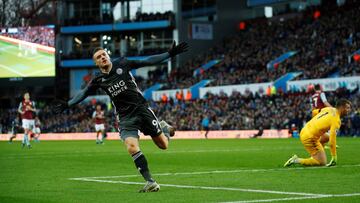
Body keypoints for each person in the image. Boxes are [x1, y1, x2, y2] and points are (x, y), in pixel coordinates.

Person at [54, 41, 188, 192]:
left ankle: (163, 128)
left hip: (142, 109)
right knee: (131, 147)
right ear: (96, 63)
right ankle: (150, 181)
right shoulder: (98, 80)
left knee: (163, 145)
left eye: (104, 54)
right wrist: (68, 104)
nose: (103, 57)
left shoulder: (122, 63)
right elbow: (84, 93)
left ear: (108, 56)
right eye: (99, 57)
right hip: (125, 117)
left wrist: (169, 54)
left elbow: (146, 61)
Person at [284, 99, 351, 167]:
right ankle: (296, 160)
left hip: (304, 129)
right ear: (342, 108)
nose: (349, 110)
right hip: (309, 138)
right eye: (347, 108)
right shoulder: (336, 120)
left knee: (327, 137)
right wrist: (334, 156)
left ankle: (318, 151)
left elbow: (314, 112)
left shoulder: (329, 109)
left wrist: (316, 124)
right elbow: (332, 142)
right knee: (322, 162)